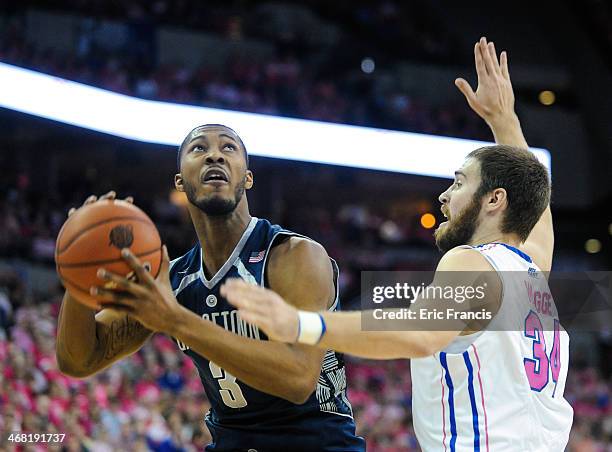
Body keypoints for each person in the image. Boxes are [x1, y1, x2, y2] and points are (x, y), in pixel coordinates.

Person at [221, 38, 574, 451]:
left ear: (495, 200)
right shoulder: (533, 272)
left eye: (459, 183)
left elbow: (420, 332)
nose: (444, 196)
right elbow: (538, 209)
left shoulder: (471, 261)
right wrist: (504, 119)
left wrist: (303, 323)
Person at [55, 123, 365, 451]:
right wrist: (83, 276)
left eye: (228, 148)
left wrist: (177, 321)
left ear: (247, 177)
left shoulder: (294, 256)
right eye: (199, 148)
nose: (214, 154)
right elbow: (79, 360)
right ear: (180, 181)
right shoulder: (174, 280)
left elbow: (298, 378)